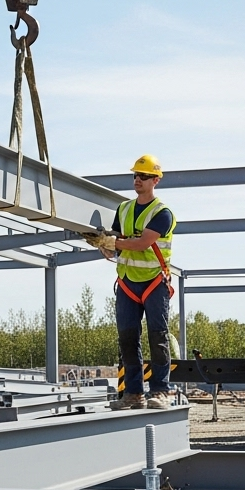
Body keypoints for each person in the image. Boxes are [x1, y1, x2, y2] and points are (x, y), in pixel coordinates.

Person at [84, 154, 177, 410]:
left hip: (153, 283)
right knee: (127, 338)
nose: (137, 179)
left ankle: (160, 391)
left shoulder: (162, 213)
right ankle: (133, 393)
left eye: (144, 176)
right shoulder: (124, 209)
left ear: (155, 180)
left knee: (157, 337)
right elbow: (118, 238)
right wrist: (105, 245)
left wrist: (113, 243)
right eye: (135, 175)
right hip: (127, 282)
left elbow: (142, 242)